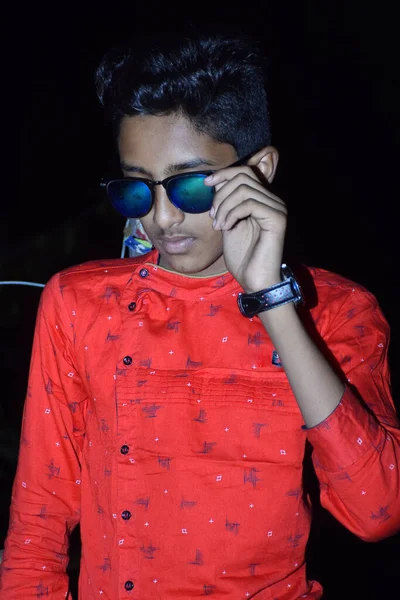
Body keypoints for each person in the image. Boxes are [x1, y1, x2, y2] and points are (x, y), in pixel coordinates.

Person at [1, 28, 399, 600]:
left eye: (188, 188)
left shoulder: (338, 311)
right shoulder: (77, 303)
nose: (161, 220)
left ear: (259, 170)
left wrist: (271, 299)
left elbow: (378, 508)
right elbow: (39, 519)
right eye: (137, 191)